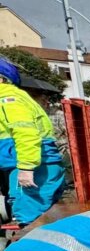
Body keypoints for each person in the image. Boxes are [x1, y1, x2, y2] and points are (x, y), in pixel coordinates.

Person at [0, 57, 66, 228]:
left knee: (31, 221)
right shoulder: (18, 98)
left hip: (33, 167)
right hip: (40, 164)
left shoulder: (7, 99)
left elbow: (25, 132)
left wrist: (26, 168)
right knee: (45, 219)